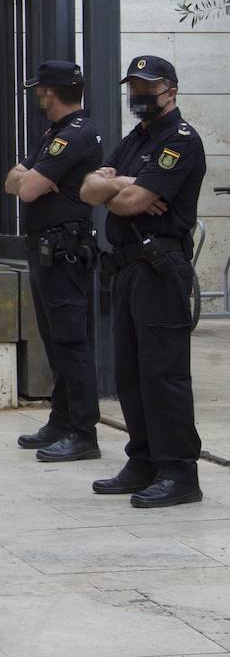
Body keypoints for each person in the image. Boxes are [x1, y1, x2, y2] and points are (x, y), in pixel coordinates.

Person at [82, 55, 206, 508]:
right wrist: (123, 185)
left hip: (161, 266)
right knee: (130, 371)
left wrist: (120, 187)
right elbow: (88, 190)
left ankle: (179, 472)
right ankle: (144, 459)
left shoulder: (181, 140)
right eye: (133, 86)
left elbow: (130, 200)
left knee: (163, 373)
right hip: (129, 266)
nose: (138, 95)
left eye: (147, 86)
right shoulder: (135, 139)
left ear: (170, 90)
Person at [3, 61, 103, 463]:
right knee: (54, 339)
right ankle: (61, 420)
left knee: (71, 341)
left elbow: (24, 190)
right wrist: (29, 176)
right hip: (46, 248)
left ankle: (84, 431)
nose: (37, 97)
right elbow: (15, 180)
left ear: (52, 92)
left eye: (40, 90)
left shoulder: (76, 135)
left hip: (65, 250)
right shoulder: (54, 134)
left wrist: (29, 177)